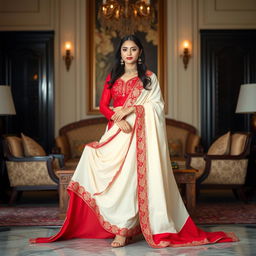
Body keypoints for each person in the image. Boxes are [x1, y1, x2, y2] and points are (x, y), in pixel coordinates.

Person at [30, 35, 238, 248]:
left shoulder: (148, 78)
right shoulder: (112, 76)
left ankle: (124, 230)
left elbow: (157, 106)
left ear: (139, 53)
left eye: (133, 49)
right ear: (120, 53)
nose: (129, 53)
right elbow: (103, 106)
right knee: (92, 159)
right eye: (125, 49)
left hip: (140, 134)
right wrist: (115, 119)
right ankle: (113, 224)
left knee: (130, 180)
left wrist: (133, 109)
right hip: (116, 132)